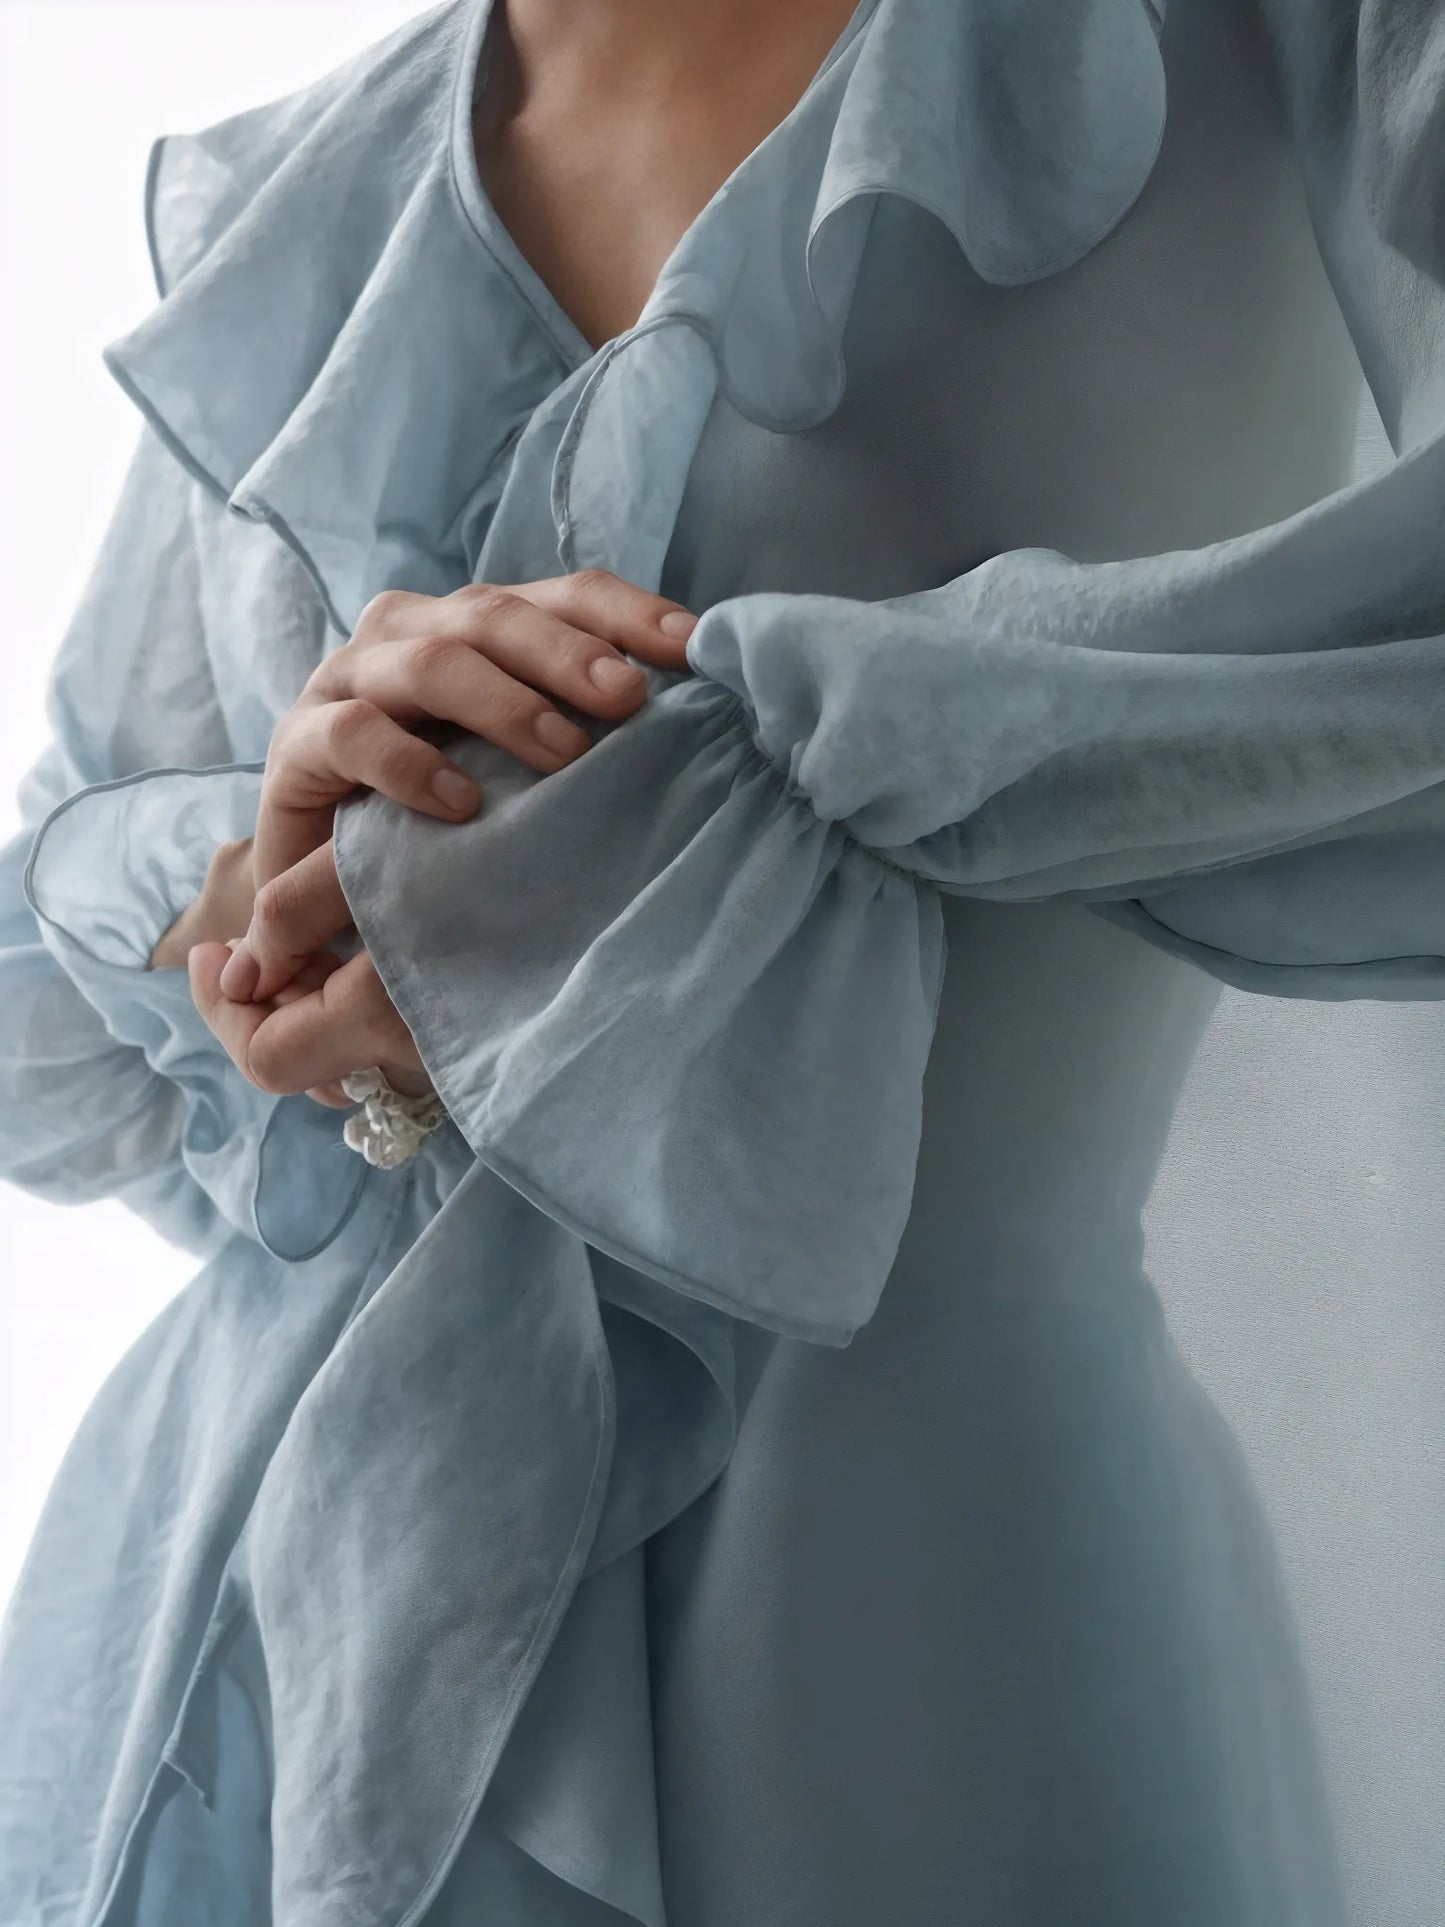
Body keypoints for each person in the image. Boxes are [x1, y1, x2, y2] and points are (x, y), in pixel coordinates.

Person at [1, 0, 1443, 1920]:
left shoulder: (1259, 49)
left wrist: (762, 756)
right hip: (282, 1651)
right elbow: (52, 1034)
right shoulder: (318, 198)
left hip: (934, 1646)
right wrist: (282, 901)